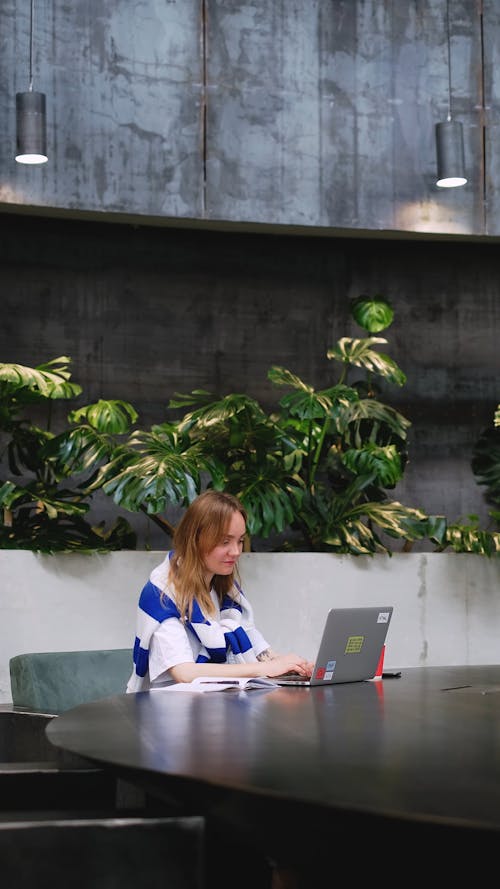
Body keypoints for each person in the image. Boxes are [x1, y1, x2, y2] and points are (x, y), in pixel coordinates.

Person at [126, 489, 313, 691]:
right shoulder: (161, 592)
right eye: (225, 541)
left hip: (217, 707)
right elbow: (184, 672)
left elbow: (257, 646)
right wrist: (265, 668)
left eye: (240, 540)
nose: (236, 552)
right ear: (195, 539)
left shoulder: (226, 589)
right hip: (168, 713)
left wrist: (292, 666)